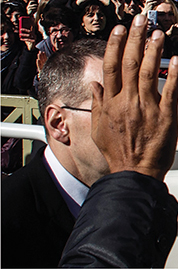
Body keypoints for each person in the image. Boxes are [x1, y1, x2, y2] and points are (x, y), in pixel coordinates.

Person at [58, 16, 178, 268]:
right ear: (59, 122)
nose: (130, 118)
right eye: (103, 107)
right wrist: (135, 172)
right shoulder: (10, 217)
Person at [2, 39, 108, 267]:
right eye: (110, 110)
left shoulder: (143, 196)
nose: (134, 123)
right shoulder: (8, 219)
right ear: (59, 122)